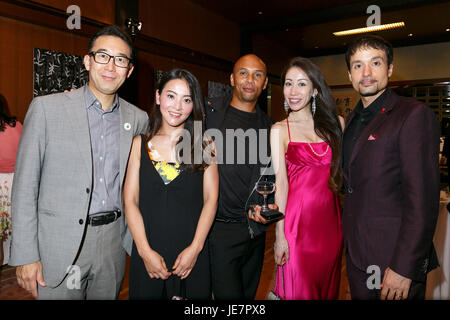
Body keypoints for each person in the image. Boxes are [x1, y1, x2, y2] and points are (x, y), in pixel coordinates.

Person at [9, 25, 149, 299]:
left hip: (113, 243)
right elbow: (25, 185)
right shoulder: (47, 109)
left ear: (129, 70)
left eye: (120, 59)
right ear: (87, 61)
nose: (111, 66)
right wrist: (26, 254)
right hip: (57, 246)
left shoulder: (139, 119)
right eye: (102, 56)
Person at [342, 35, 440, 300]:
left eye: (375, 63)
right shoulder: (351, 120)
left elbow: (423, 200)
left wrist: (404, 267)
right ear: (349, 74)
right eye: (358, 65)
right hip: (357, 255)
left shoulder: (412, 115)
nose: (367, 73)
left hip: (393, 262)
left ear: (390, 69)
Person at [124, 68, 218, 299]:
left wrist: (195, 249)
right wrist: (145, 252)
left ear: (194, 104)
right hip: (148, 254)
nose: (177, 106)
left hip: (190, 255)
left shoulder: (205, 144)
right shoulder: (140, 143)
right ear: (158, 97)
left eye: (186, 99)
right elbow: (130, 201)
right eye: (171, 96)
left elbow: (211, 199)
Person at [268, 57, 344, 299]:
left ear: (314, 89)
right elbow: (281, 183)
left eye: (301, 84)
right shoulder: (279, 129)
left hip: (331, 225)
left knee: (327, 289)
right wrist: (280, 236)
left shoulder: (336, 125)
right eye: (289, 84)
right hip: (296, 226)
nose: (293, 91)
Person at [206, 54, 276, 300]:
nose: (250, 80)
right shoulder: (208, 115)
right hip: (218, 232)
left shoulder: (271, 128)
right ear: (232, 79)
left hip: (254, 232)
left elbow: (273, 179)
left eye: (257, 75)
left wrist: (268, 205)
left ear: (265, 83)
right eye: (243, 73)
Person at [0, 95, 22, 266]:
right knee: (12, 222)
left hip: (1, 181)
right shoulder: (17, 125)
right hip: (16, 180)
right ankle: (10, 257)